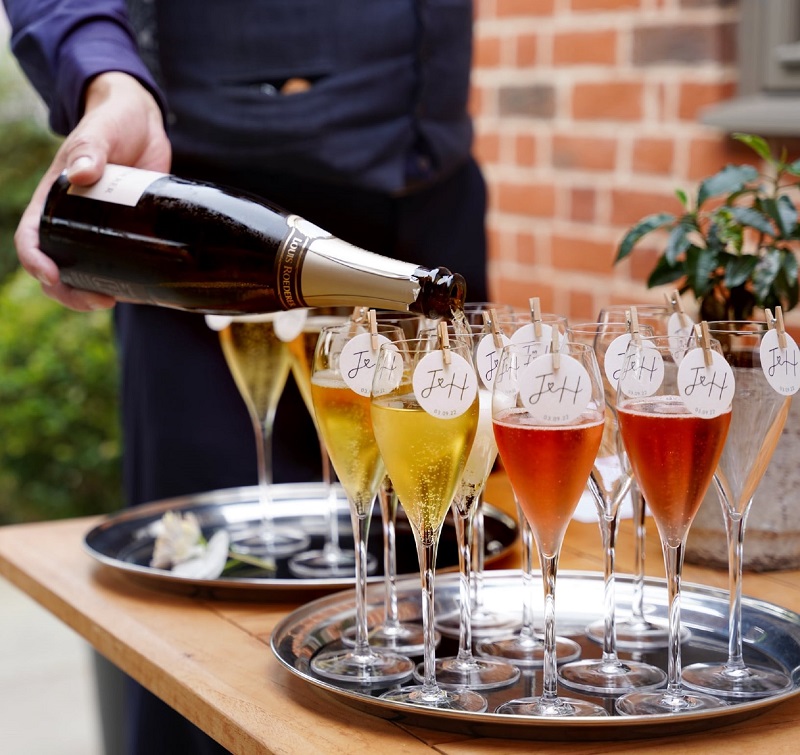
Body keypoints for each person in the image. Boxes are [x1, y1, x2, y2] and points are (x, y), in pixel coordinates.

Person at [2, 1, 488, 753]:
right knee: (209, 639)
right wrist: (105, 76)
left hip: (434, 220)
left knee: (442, 636)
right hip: (207, 238)